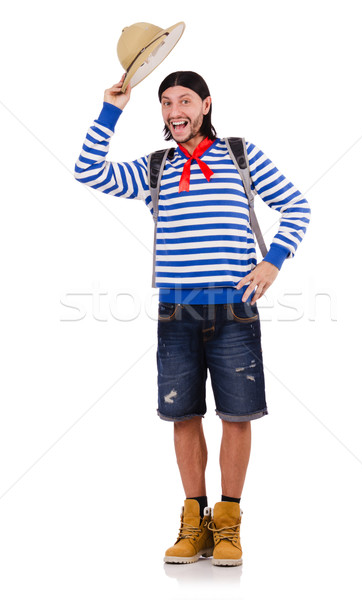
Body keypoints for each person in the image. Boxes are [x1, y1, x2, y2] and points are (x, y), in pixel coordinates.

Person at [74, 71, 311, 567]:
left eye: (184, 100)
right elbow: (88, 170)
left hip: (234, 309)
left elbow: (296, 206)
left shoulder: (241, 156)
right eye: (165, 102)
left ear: (205, 105)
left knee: (238, 415)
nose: (173, 110)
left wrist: (274, 260)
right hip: (176, 310)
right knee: (182, 415)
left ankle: (227, 524)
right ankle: (193, 520)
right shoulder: (156, 167)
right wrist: (111, 108)